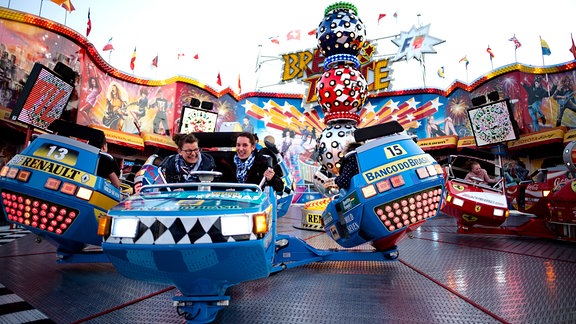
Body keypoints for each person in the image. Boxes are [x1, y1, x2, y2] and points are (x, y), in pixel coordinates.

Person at [217, 132, 284, 191]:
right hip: (229, 201)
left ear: (253, 147)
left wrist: (272, 178)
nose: (240, 149)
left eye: (245, 145)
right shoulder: (225, 162)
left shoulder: (262, 162)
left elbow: (280, 187)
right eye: (238, 145)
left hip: (254, 202)